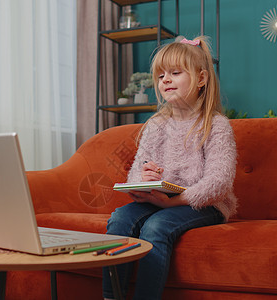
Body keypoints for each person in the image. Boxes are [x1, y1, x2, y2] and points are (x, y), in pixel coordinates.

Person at [102, 36, 238, 300]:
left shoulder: (216, 125)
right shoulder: (156, 125)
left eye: (175, 73)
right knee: (119, 218)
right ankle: (111, 296)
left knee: (157, 227)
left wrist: (171, 204)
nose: (165, 79)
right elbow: (135, 172)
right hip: (159, 199)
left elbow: (219, 183)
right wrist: (144, 178)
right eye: (161, 75)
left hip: (203, 204)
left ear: (201, 79)